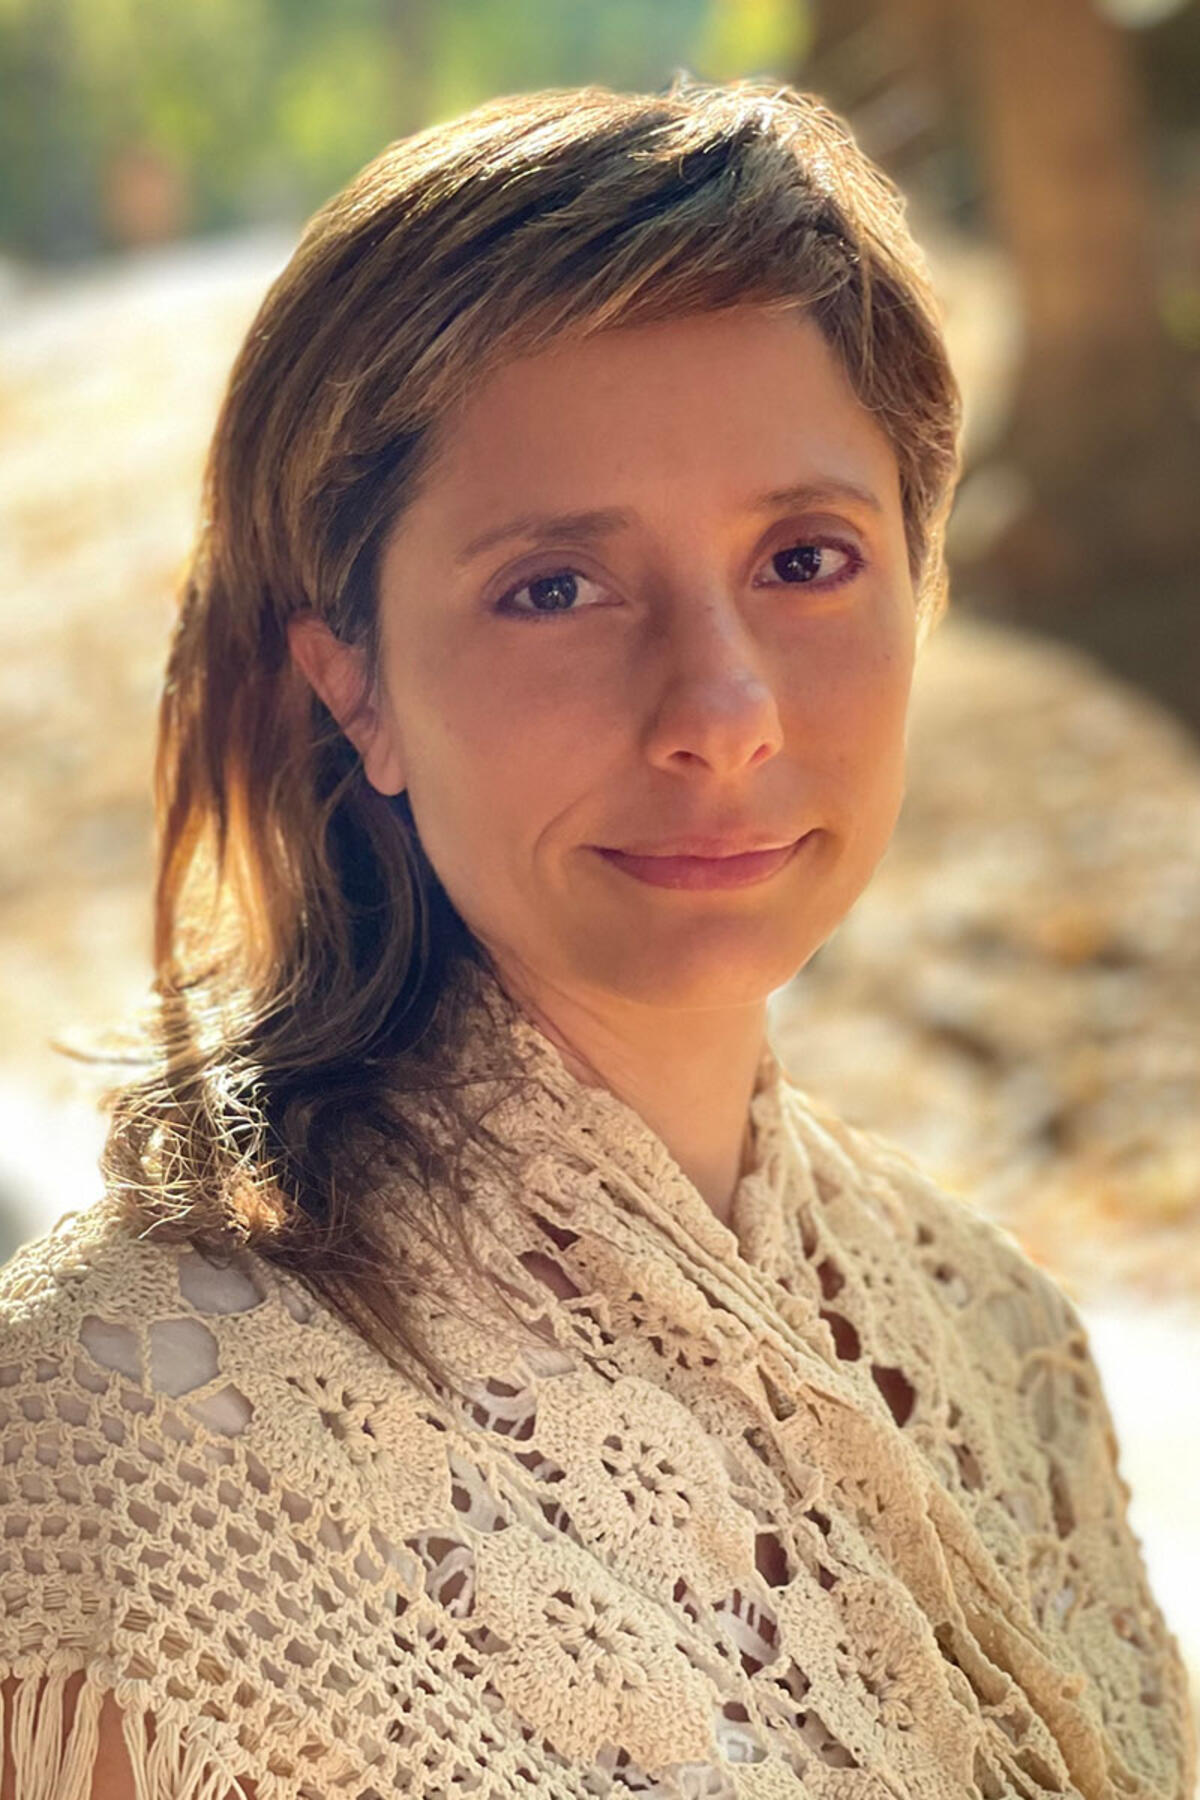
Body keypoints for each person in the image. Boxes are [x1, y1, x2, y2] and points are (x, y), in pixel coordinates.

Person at [0, 75, 1193, 1800]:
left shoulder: (1003, 1342)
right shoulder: (139, 1445)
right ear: (354, 686)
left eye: (806, 557)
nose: (724, 711)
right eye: (556, 585)